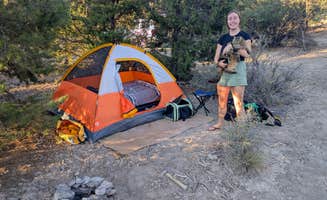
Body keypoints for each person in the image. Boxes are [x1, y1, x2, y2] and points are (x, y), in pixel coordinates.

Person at [208, 10, 252, 131]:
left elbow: (247, 54)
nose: (232, 21)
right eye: (230, 19)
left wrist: (233, 46)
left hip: (238, 70)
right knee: (222, 101)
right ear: (227, 22)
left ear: (239, 20)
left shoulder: (245, 36)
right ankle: (219, 123)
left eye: (235, 18)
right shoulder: (223, 38)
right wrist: (219, 63)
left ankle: (241, 131)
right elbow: (216, 58)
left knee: (238, 103)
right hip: (224, 72)